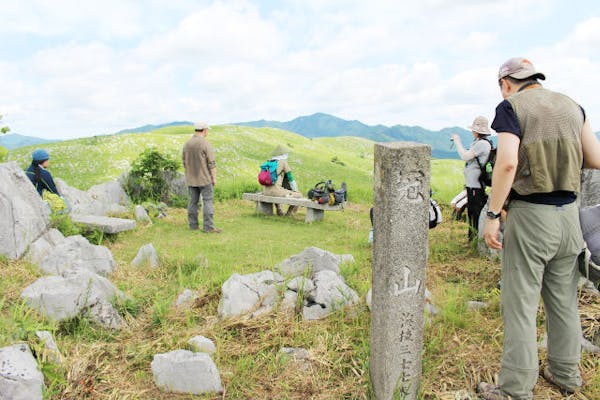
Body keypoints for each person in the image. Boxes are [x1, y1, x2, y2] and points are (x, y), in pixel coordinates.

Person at [478, 57, 600, 400]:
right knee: (563, 300)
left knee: (520, 304)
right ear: (536, 79)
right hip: (569, 218)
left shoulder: (510, 108)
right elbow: (595, 158)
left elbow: (507, 164)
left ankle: (515, 389)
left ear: (505, 82)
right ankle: (565, 375)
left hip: (532, 216)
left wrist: (492, 214)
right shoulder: (572, 106)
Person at [451, 116, 492, 241]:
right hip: (472, 185)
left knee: (475, 213)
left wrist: (457, 141)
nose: (472, 132)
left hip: (476, 186)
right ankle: (472, 239)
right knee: (471, 213)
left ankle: (476, 240)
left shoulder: (482, 144)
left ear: (477, 131)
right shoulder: (478, 143)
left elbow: (465, 156)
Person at [182, 121, 221, 233]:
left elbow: (184, 162)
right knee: (207, 201)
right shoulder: (205, 144)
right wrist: (214, 178)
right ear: (204, 130)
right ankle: (208, 227)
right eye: (207, 130)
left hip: (191, 179)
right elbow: (211, 163)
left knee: (193, 202)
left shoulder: (187, 144)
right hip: (204, 179)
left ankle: (193, 225)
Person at [261, 145, 302, 216]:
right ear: (284, 154)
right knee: (299, 195)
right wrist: (296, 191)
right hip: (275, 192)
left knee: (279, 190)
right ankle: (289, 214)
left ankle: (279, 209)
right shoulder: (283, 162)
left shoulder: (268, 163)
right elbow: (291, 179)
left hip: (265, 191)